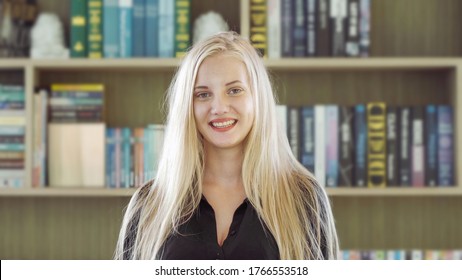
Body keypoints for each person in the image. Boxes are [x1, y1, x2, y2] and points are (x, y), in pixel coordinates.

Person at [115, 31, 339, 260]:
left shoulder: (303, 198)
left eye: (234, 90)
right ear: (187, 107)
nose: (219, 107)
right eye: (203, 94)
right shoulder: (149, 203)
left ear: (257, 98)